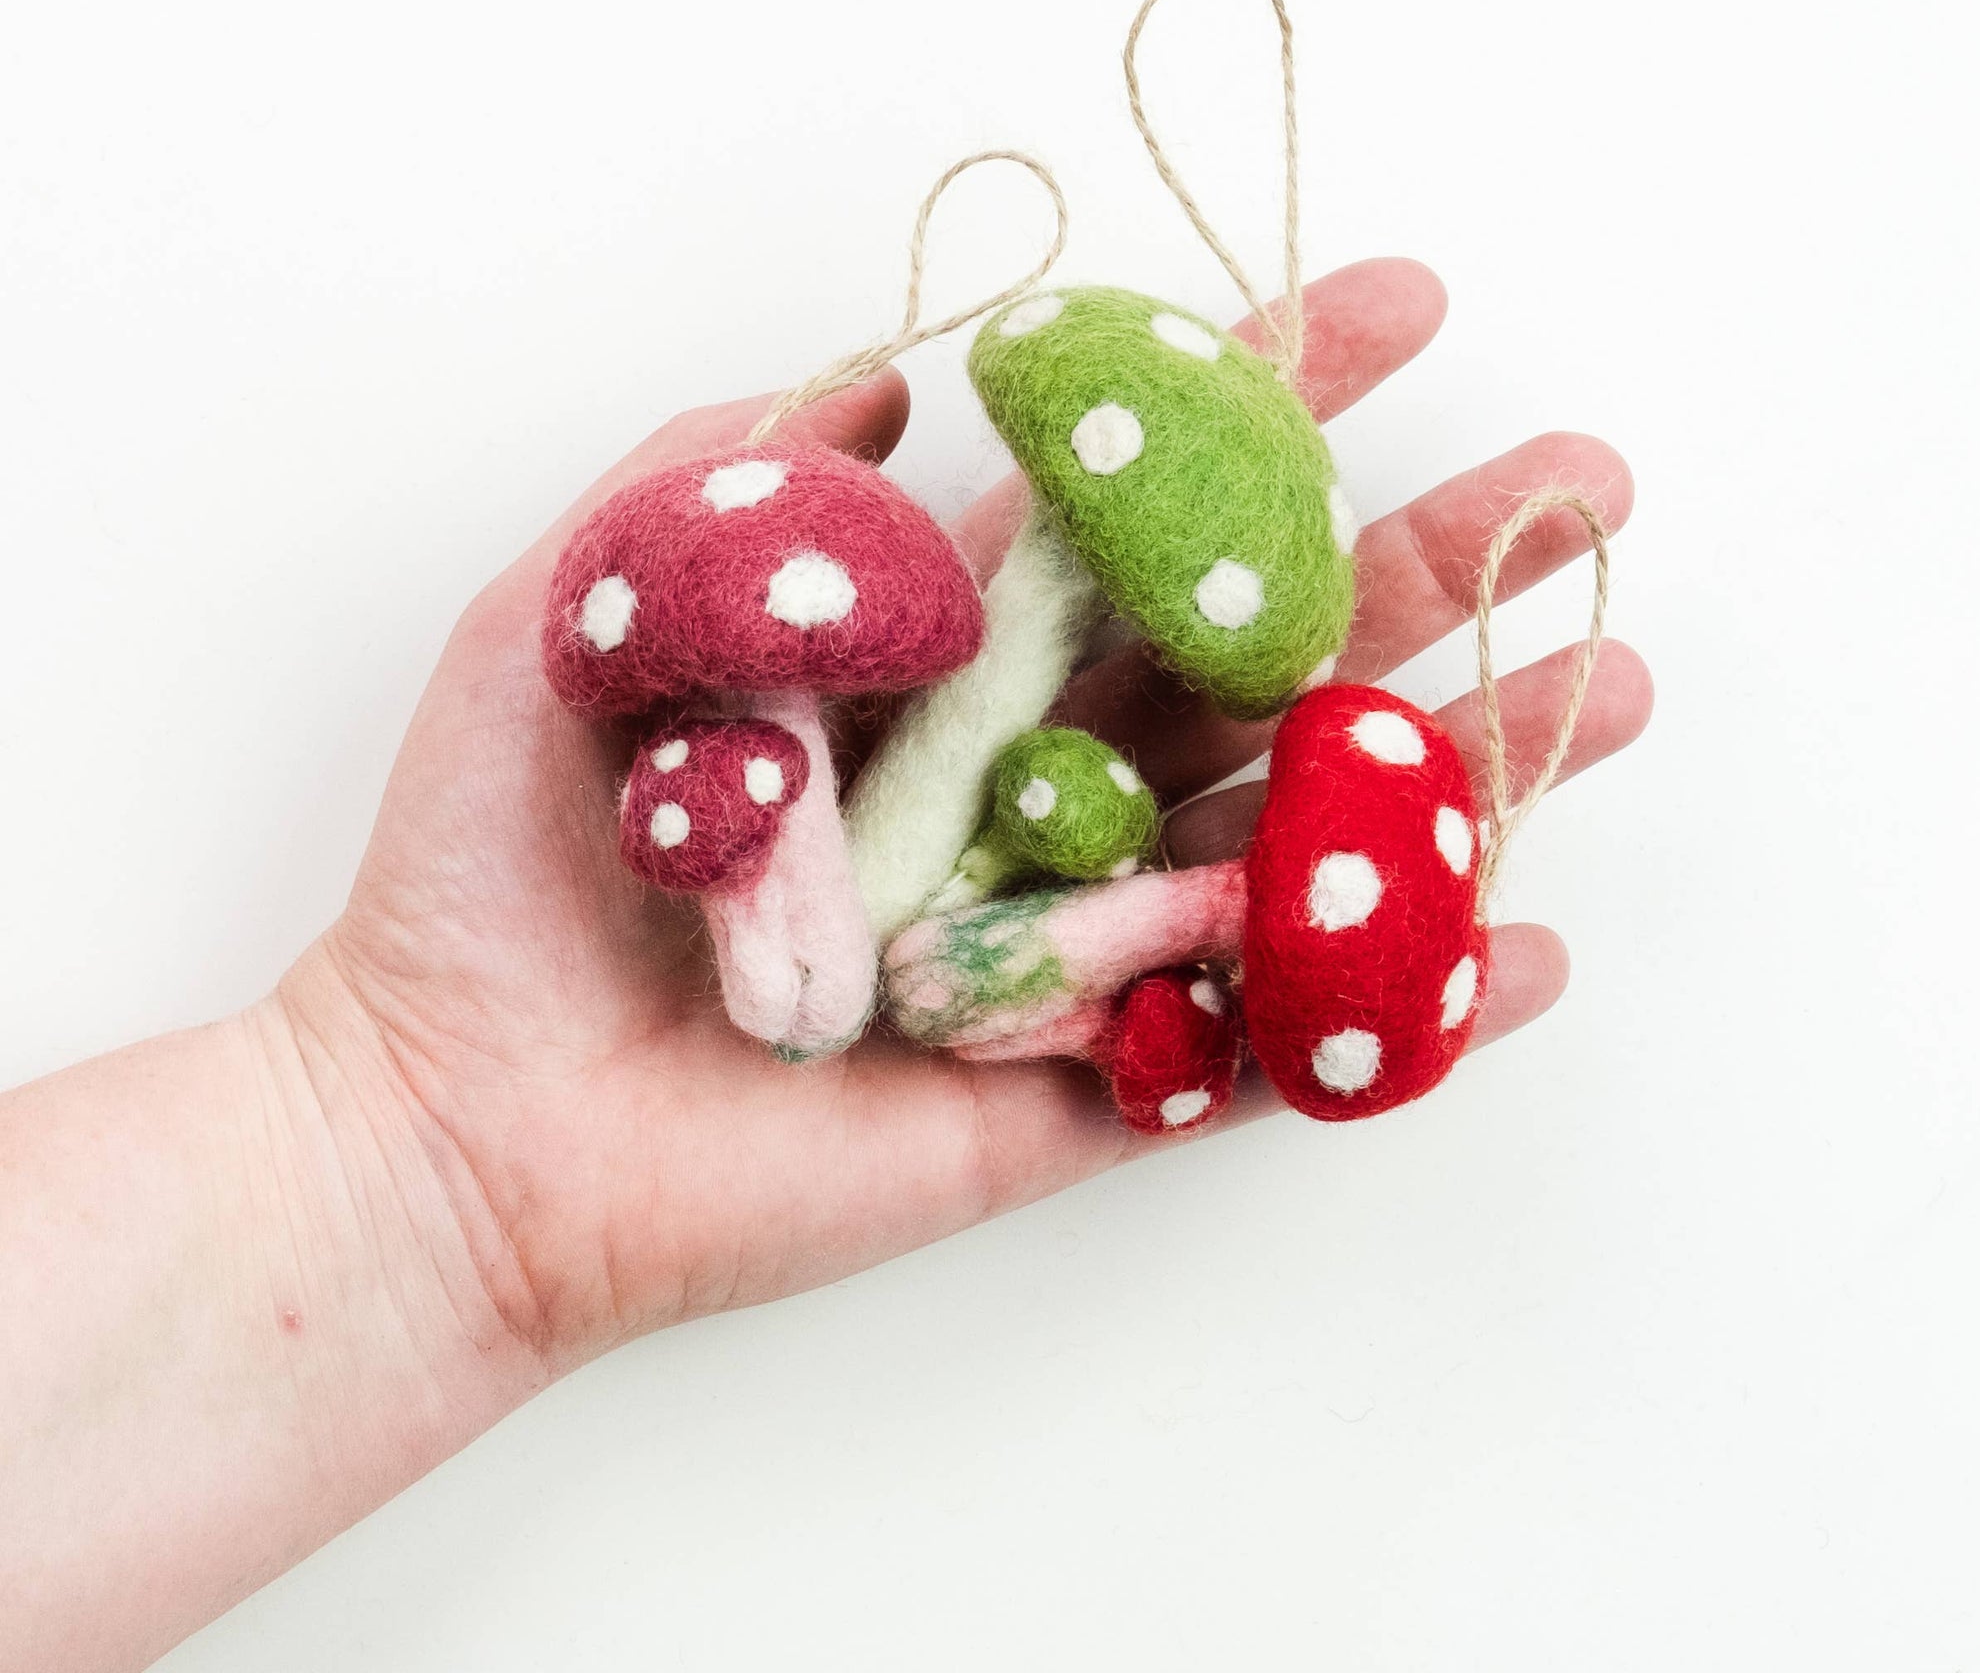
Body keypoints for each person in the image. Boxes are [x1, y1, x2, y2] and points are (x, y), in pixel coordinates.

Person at [0, 258, 1649, 1672]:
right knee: (924, 945)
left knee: (954, 953)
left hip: (992, 925)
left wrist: (390, 1177)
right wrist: (396, 1149)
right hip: (862, 915)